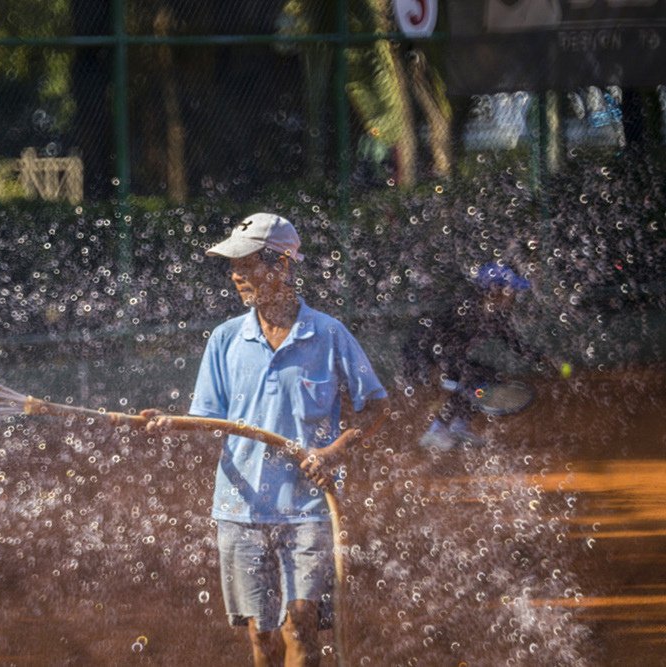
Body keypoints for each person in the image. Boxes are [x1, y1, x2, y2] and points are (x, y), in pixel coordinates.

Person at [144, 213, 390, 666]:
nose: (236, 274)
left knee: (302, 632)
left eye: (248, 263)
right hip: (242, 509)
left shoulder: (329, 335)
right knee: (262, 639)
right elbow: (209, 420)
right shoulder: (225, 340)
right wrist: (170, 422)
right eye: (233, 264)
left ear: (281, 266)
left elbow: (376, 406)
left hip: (308, 510)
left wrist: (333, 452)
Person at [405, 261, 548, 450]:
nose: (514, 294)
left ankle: (458, 427)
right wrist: (436, 369)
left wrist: (542, 360)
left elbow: (515, 343)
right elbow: (433, 342)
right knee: (470, 385)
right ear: (495, 290)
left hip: (448, 360)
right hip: (422, 359)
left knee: (485, 383)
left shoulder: (497, 317)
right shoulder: (465, 311)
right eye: (511, 289)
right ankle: (434, 432)